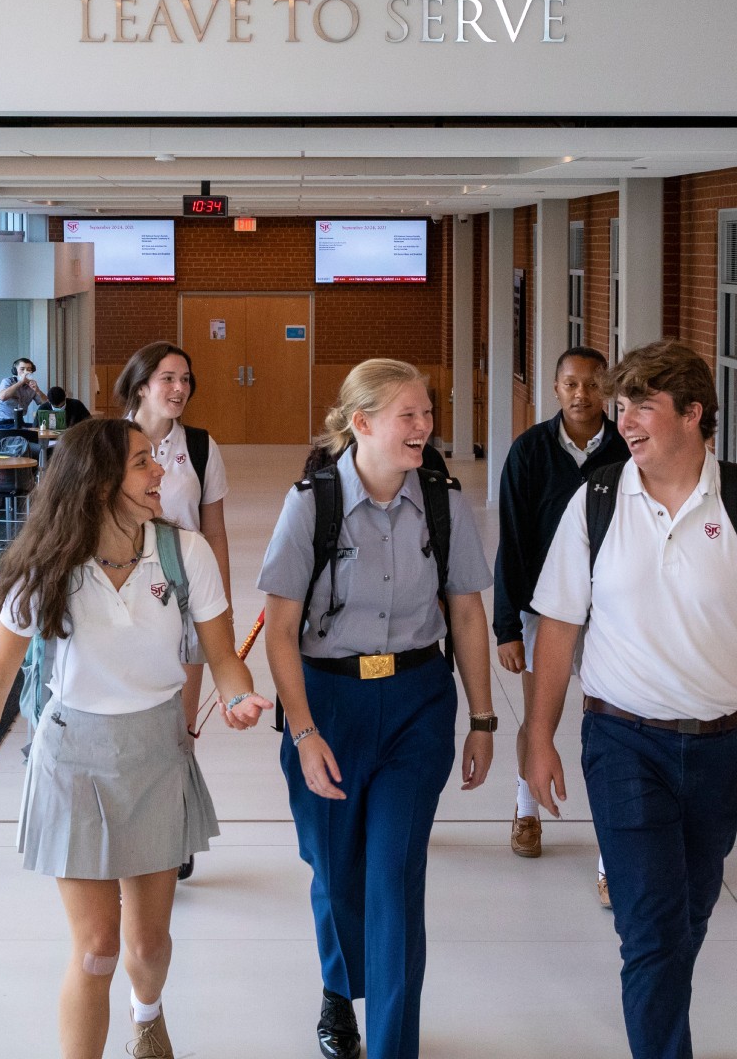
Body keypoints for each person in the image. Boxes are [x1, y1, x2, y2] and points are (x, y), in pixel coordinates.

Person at [0, 419, 267, 1059]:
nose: (163, 474)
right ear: (97, 485)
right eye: (144, 464)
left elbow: (223, 654)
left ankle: (147, 1013)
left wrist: (236, 695)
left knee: (148, 947)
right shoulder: (45, 567)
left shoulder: (185, 554)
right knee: (97, 949)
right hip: (71, 759)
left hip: (154, 754)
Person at [525, 340, 737, 1059]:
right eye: (620, 407)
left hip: (724, 746)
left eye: (642, 405)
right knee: (649, 928)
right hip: (623, 739)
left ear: (693, 414)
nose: (624, 420)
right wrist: (538, 737)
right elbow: (558, 626)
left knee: (685, 915)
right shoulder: (596, 502)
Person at [258, 358, 496, 1059]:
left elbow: (467, 614)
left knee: (393, 873)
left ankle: (394, 1044)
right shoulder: (312, 504)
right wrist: (302, 732)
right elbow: (278, 629)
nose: (424, 428)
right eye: (408, 416)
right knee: (334, 867)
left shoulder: (444, 503)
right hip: (327, 702)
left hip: (418, 704)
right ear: (361, 424)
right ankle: (340, 991)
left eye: (427, 413)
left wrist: (482, 718)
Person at [492, 346, 627, 901]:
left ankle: (612, 849)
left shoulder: (627, 451)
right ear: (555, 389)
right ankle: (526, 810)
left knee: (612, 727)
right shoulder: (528, 452)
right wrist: (506, 626)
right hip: (544, 612)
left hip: (611, 614)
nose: (581, 394)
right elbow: (512, 543)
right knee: (538, 717)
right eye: (571, 383)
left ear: (608, 391)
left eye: (593, 384)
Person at [115, 341, 231, 881]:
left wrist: (220, 611)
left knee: (178, 726)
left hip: (185, 591)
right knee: (127, 717)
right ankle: (124, 831)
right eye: (167, 378)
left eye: (186, 379)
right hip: (122, 593)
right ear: (141, 385)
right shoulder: (108, 444)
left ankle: (173, 833)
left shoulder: (202, 448)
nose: (180, 388)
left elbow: (214, 532)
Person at [0, 356, 48, 427]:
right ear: (15, 370)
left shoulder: (31, 386)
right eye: (22, 369)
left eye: (28, 369)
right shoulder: (7, 381)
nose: (25, 372)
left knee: (40, 429)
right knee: (29, 434)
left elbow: (46, 404)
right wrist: (21, 382)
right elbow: (2, 397)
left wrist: (37, 390)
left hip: (20, 422)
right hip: (5, 423)